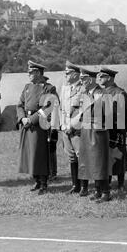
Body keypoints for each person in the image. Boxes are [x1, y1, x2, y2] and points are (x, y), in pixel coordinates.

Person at [16, 60, 57, 195]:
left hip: (39, 125)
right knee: (30, 153)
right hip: (26, 123)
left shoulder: (48, 88)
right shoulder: (27, 87)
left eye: (31, 72)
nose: (29, 75)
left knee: (39, 154)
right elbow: (20, 104)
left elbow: (47, 107)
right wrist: (22, 118)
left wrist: (31, 120)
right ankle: (36, 181)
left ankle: (44, 183)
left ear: (38, 73)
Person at [78, 67, 112, 203]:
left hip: (98, 131)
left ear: (91, 79)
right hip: (86, 130)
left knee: (99, 162)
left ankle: (106, 192)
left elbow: (109, 114)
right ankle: (97, 190)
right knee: (89, 161)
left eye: (83, 79)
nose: (82, 81)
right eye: (81, 79)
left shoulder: (102, 93)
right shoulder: (85, 93)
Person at [97, 67, 127, 192]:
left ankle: (121, 184)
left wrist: (121, 131)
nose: (99, 78)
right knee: (106, 157)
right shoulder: (100, 92)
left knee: (118, 156)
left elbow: (124, 114)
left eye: (102, 76)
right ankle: (108, 182)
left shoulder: (119, 92)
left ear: (109, 78)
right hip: (103, 129)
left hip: (116, 130)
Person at [59, 61, 84, 195]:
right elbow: (62, 108)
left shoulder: (83, 88)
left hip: (77, 130)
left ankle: (84, 186)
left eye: (67, 73)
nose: (65, 75)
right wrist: (63, 125)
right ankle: (75, 185)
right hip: (65, 129)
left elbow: (82, 111)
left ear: (75, 74)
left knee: (81, 156)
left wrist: (73, 127)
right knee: (71, 157)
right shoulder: (64, 88)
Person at [42, 75, 59, 181]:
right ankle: (46, 172)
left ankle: (53, 172)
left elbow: (55, 108)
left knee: (51, 148)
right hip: (42, 123)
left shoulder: (50, 89)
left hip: (50, 124)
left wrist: (53, 126)